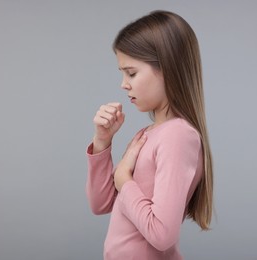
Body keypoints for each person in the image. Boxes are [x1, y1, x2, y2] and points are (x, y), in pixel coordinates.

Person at [86, 10, 214, 260]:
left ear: (167, 68)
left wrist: (124, 180)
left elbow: (162, 234)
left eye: (131, 73)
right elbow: (100, 204)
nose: (124, 84)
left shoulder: (177, 135)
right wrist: (102, 142)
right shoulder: (148, 134)